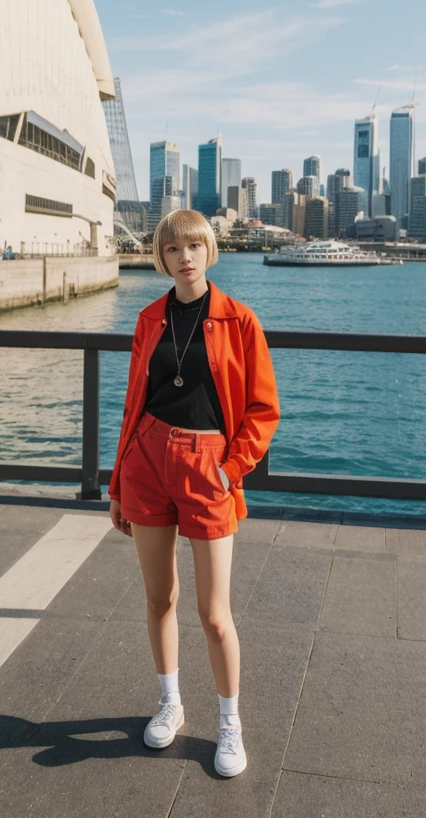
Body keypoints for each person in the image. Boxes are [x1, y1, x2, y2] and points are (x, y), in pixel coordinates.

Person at [108, 209, 280, 778]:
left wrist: (231, 470)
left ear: (210, 250)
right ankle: (170, 702)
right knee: (159, 598)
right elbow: (134, 405)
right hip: (147, 461)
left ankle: (230, 723)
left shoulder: (240, 321)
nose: (184, 256)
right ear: (160, 257)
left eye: (194, 246)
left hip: (208, 466)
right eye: (173, 248)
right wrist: (117, 483)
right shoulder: (149, 318)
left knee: (214, 613)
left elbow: (262, 410)